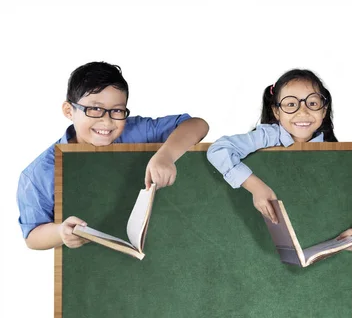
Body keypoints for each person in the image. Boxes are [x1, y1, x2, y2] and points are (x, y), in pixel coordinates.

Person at [18, 61, 209, 250]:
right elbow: (32, 236)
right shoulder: (39, 172)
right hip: (89, 266)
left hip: (158, 244)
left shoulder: (135, 131)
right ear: (69, 111)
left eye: (117, 110)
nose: (107, 121)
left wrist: (166, 155)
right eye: (94, 109)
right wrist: (60, 232)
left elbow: (197, 125)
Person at [207, 69, 352, 249]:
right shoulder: (267, 136)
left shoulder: (336, 158)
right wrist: (255, 187)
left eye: (312, 103)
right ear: (276, 111)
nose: (303, 111)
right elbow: (219, 150)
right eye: (291, 104)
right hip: (254, 243)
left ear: (324, 110)